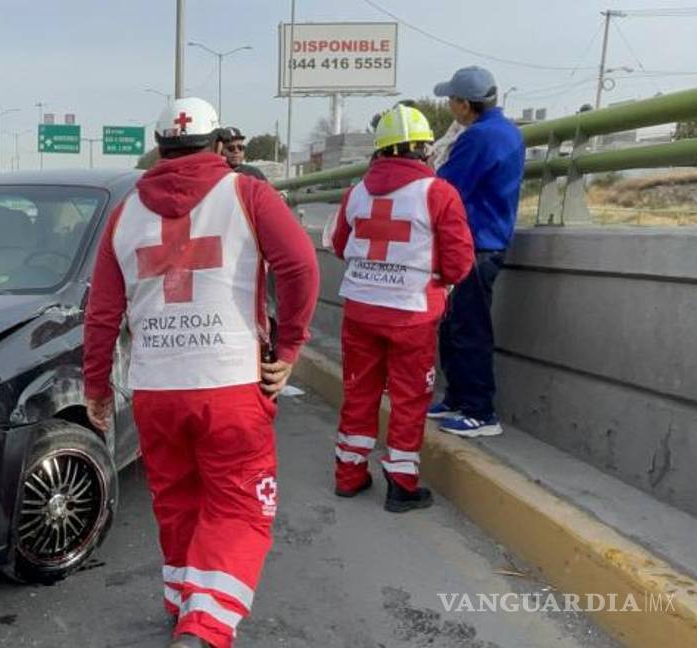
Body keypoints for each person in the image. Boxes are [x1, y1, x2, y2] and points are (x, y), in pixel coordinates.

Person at [83, 97, 318, 648]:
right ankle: (205, 627)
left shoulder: (125, 213)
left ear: (160, 151)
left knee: (178, 500)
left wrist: (96, 387)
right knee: (239, 506)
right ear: (218, 146)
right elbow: (301, 265)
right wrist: (290, 346)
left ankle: (184, 603)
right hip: (230, 384)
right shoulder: (246, 193)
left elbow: (101, 314)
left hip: (156, 389)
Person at [327, 105, 474, 512]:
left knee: (359, 393)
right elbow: (460, 262)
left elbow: (340, 245)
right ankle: (401, 485)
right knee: (409, 398)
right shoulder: (438, 193)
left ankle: (348, 475)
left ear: (380, 151)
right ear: (423, 149)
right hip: (412, 315)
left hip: (360, 310)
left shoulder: (355, 193)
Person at [429, 66, 525, 438]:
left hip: (475, 244)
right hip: (485, 240)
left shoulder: (478, 138)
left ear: (465, 104)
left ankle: (479, 410)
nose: (450, 107)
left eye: (451, 100)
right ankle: (457, 398)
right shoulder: (504, 131)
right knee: (455, 324)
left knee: (469, 327)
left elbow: (445, 188)